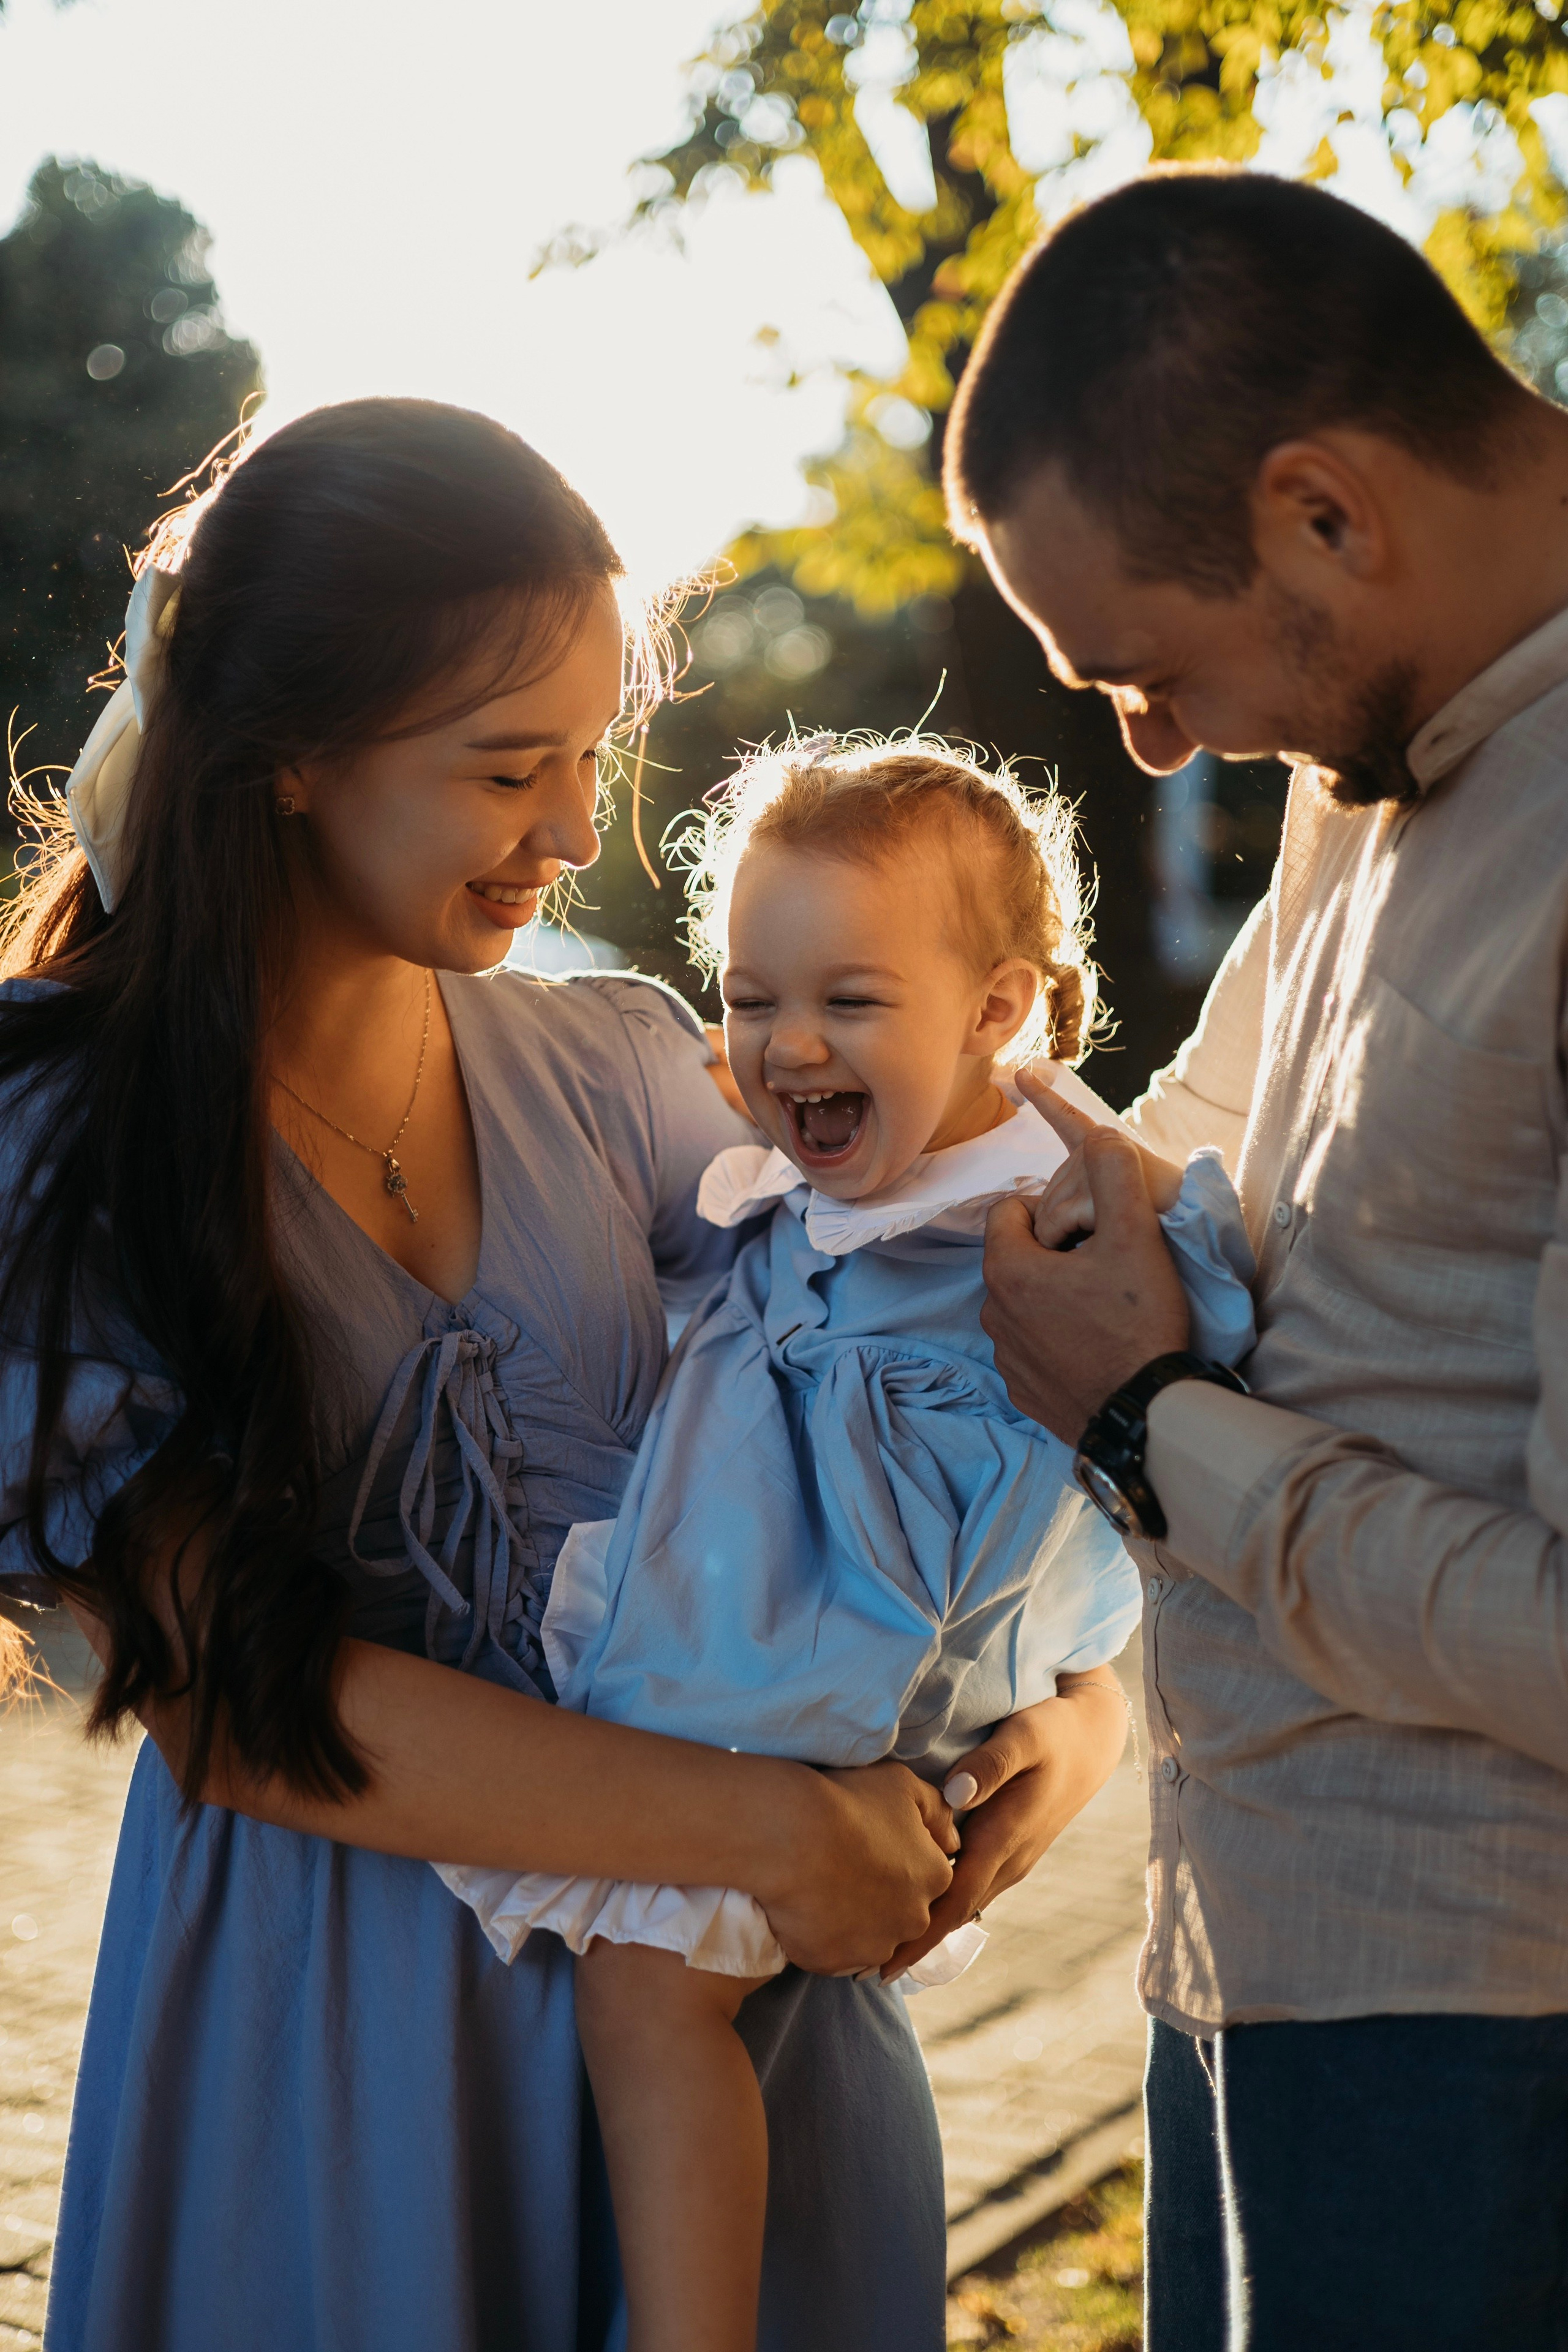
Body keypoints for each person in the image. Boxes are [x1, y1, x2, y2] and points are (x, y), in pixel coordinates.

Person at [0, 396, 1069, 2352]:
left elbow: (918, 1381)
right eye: (509, 769)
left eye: (592, 756)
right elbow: (233, 1702)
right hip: (338, 2057)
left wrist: (1064, 1729)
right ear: (292, 755)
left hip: (742, 2037)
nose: (577, 833)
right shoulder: (60, 1133)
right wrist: (771, 1835)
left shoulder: (624, 1066)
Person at [943, 167, 1568, 2350]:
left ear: (1324, 513)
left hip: (1489, 2042)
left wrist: (1147, 1423)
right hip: (1245, 1966)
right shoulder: (1372, 735)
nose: (1153, 743)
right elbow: (1184, 1164)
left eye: (1146, 668)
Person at [436, 736, 1259, 2352]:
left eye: (851, 1000)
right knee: (656, 1989)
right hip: (777, 1650)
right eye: (751, 998)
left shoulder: (1046, 1203)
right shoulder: (818, 1185)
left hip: (848, 1676)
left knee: (647, 1985)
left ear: (998, 1009)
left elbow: (1193, 1325)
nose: (788, 1041)